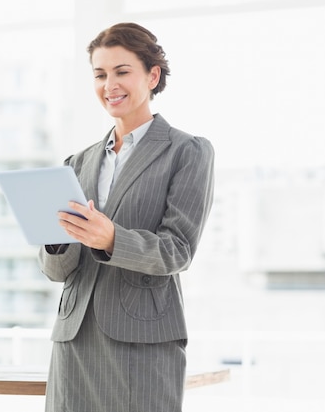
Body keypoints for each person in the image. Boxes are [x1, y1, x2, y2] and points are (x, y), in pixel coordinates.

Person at [38, 22, 215, 412]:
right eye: (100, 74)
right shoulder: (77, 163)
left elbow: (177, 250)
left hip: (142, 341)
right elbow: (56, 269)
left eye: (122, 72)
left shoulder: (187, 152)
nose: (109, 85)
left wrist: (111, 238)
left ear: (152, 76)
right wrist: (56, 238)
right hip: (74, 339)